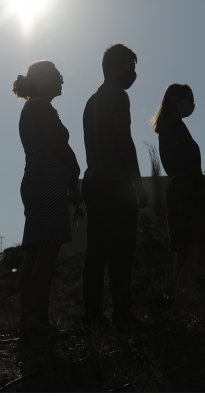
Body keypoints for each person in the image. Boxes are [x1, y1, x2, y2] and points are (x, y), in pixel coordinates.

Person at [13, 60, 84, 337]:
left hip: (41, 182)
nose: (62, 79)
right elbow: (59, 145)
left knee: (35, 252)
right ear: (42, 80)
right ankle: (38, 318)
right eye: (56, 75)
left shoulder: (37, 106)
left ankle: (30, 319)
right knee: (44, 253)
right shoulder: (39, 106)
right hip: (44, 183)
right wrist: (75, 172)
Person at [81, 43, 148, 329]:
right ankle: (123, 314)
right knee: (122, 252)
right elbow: (124, 140)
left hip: (93, 182)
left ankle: (93, 315)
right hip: (114, 185)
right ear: (111, 66)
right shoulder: (118, 97)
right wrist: (138, 184)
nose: (132, 72)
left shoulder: (91, 101)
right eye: (127, 65)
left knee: (96, 253)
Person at [151, 83, 205, 318]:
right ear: (175, 99)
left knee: (183, 254)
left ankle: (179, 308)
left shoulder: (168, 126)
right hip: (186, 191)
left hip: (177, 191)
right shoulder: (174, 126)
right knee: (195, 252)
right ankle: (179, 310)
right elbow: (189, 162)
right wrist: (202, 188)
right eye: (188, 99)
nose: (192, 104)